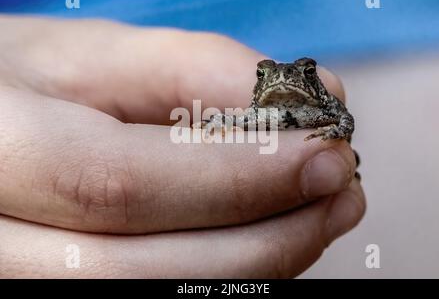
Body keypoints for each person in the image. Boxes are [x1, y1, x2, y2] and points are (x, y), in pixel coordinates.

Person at [0, 16, 365, 278]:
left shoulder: (322, 107)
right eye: (264, 74)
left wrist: (336, 135)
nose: (284, 78)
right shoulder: (255, 115)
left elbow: (345, 119)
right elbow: (228, 122)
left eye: (304, 72)